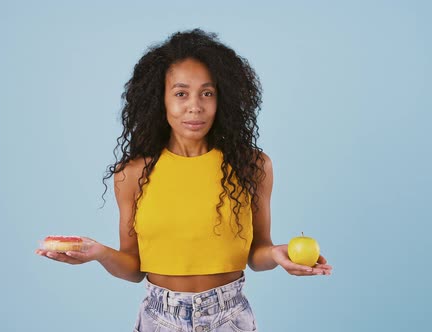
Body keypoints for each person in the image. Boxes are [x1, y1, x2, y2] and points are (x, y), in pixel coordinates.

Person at [35, 28, 333, 332]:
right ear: (159, 99)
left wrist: (276, 255)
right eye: (181, 93)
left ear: (222, 99)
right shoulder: (132, 173)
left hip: (229, 317)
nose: (195, 106)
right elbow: (133, 266)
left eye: (207, 93)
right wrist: (98, 253)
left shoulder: (252, 166)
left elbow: (257, 254)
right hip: (159, 317)